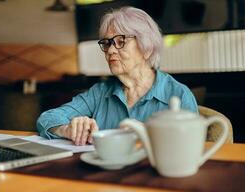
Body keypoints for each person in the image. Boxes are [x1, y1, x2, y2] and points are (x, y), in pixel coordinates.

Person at [36, 6, 198, 146]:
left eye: (120, 41)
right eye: (106, 43)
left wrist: (149, 134)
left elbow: (192, 145)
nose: (110, 50)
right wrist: (67, 129)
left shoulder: (179, 95)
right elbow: (47, 118)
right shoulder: (99, 92)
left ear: (147, 48)